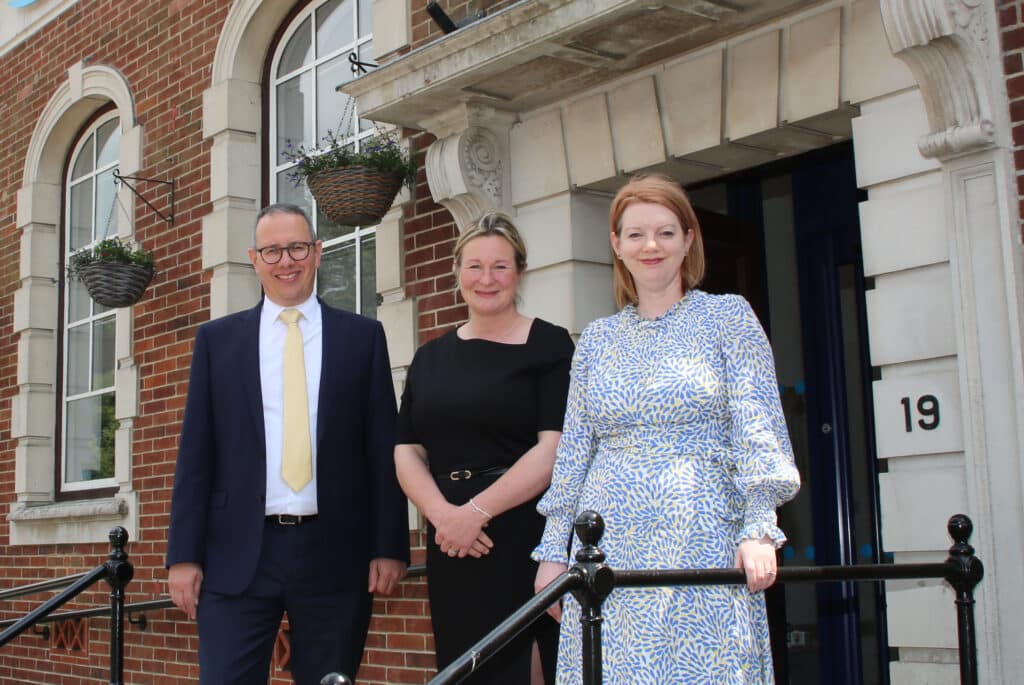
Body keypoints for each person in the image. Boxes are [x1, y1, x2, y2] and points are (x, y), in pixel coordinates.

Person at [532, 174, 801, 684]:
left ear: (688, 240)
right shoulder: (595, 340)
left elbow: (757, 426)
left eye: (665, 233)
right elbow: (573, 455)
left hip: (703, 538)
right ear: (616, 244)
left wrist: (760, 528)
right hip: (610, 546)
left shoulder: (728, 318)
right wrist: (551, 553)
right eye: (635, 234)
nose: (650, 246)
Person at [166, 203, 409, 685]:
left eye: (297, 247)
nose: (286, 261)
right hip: (235, 556)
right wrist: (184, 556)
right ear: (254, 259)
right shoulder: (217, 341)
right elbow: (196, 454)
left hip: (334, 554)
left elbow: (383, 449)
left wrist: (389, 546)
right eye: (273, 250)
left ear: (317, 253)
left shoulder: (362, 338)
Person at [394, 211, 575, 684]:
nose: (486, 279)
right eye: (474, 266)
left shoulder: (550, 344)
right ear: (457, 273)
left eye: (500, 266)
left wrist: (474, 512)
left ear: (520, 272)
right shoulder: (429, 358)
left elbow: (553, 448)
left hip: (523, 537)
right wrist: (444, 516)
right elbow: (406, 451)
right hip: (453, 545)